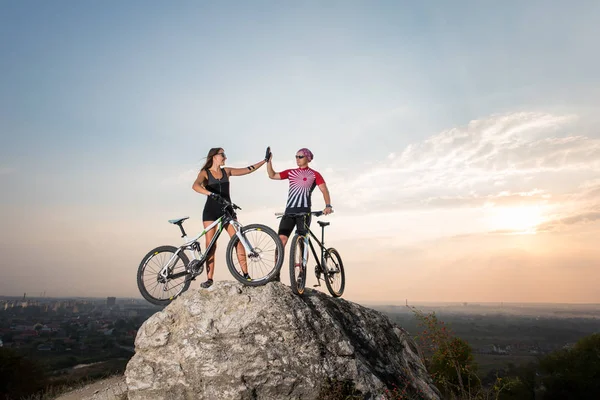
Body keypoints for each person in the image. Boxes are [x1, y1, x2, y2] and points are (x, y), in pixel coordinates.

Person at [192, 147, 271, 288]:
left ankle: (246, 276)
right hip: (211, 211)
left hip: (227, 210)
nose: (225, 157)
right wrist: (209, 193)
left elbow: (248, 169)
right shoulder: (205, 173)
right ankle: (209, 278)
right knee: (211, 245)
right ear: (214, 156)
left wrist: (264, 161)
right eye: (223, 154)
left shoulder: (226, 171)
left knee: (238, 240)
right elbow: (195, 186)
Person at [267, 147, 333, 255]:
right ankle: (276, 271)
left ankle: (302, 270)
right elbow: (272, 175)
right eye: (296, 156)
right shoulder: (291, 172)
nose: (297, 159)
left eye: (300, 156)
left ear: (307, 158)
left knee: (302, 242)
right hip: (289, 211)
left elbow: (324, 190)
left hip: (304, 212)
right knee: (281, 240)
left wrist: (328, 205)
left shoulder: (314, 174)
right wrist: (268, 161)